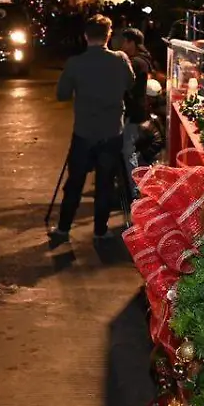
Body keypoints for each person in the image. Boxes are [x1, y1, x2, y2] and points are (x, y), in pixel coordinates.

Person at [51, 15, 135, 242]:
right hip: (111, 132)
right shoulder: (120, 60)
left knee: (75, 182)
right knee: (105, 183)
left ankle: (63, 227)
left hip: (84, 132)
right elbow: (131, 84)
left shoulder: (75, 64)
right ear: (109, 35)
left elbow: (61, 95)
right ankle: (100, 230)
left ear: (85, 36)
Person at [120, 28, 154, 195]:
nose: (122, 45)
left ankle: (137, 192)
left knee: (130, 152)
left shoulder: (135, 62)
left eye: (125, 41)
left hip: (134, 113)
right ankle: (143, 189)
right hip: (141, 111)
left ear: (132, 42)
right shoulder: (145, 59)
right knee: (137, 153)